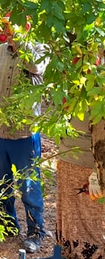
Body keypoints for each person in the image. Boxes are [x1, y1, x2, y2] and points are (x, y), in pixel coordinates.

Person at [0, 18, 50, 253]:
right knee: (0, 184)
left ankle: (36, 232)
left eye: (11, 30)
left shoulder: (40, 50)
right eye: (6, 30)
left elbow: (36, 68)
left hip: (24, 134)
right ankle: (8, 225)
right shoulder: (0, 51)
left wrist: (23, 42)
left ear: (25, 28)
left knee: (28, 186)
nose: (6, 34)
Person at [56, 54, 105, 258]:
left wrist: (99, 172)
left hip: (88, 168)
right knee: (71, 223)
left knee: (92, 230)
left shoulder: (100, 86)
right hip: (69, 162)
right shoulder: (76, 82)